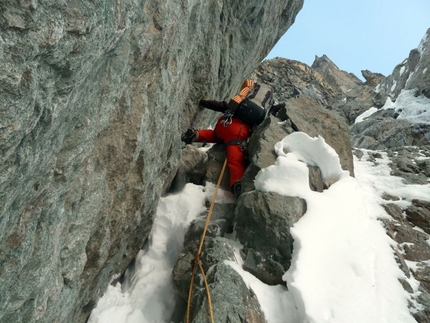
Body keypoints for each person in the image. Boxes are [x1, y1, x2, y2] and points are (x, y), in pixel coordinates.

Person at [181, 79, 285, 197]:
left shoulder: (241, 102)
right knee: (235, 160)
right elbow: (272, 115)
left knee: (215, 136)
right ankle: (237, 184)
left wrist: (204, 102)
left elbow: (221, 105)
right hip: (238, 132)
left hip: (223, 124)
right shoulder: (264, 111)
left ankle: (196, 134)